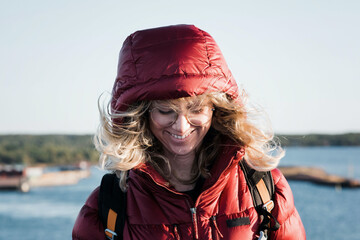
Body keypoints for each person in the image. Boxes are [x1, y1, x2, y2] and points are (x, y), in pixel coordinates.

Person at [72, 24, 306, 240]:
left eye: (196, 109)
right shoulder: (110, 205)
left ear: (217, 109)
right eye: (165, 111)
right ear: (141, 114)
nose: (181, 126)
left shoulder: (264, 188)